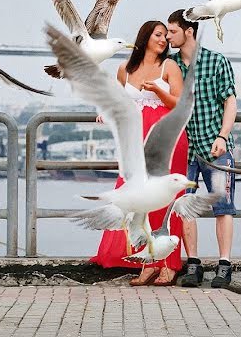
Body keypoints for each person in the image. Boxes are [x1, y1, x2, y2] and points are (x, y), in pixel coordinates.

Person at [90, 20, 188, 286]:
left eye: (166, 36)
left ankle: (169, 264)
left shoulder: (170, 67)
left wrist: (157, 90)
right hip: (135, 140)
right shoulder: (125, 69)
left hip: (166, 137)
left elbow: (179, 103)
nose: (164, 40)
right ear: (145, 37)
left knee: (165, 200)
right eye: (158, 35)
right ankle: (147, 262)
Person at [166, 10, 238, 288]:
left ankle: (224, 265)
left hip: (216, 146)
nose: (168, 36)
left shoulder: (216, 61)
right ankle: (193, 264)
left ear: (189, 31)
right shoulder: (169, 65)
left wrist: (222, 135)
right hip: (183, 148)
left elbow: (230, 102)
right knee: (185, 207)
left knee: (223, 207)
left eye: (172, 31)